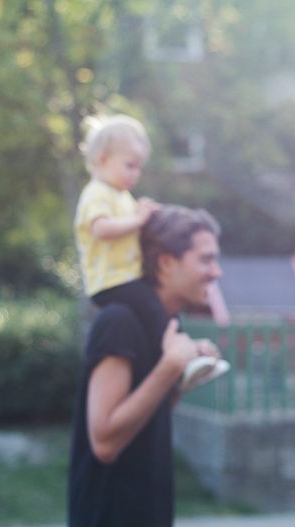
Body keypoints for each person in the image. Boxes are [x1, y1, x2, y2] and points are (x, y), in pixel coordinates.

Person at [68, 205, 223, 527]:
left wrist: (183, 379)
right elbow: (104, 441)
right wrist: (170, 368)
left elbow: (143, 416)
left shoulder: (167, 326)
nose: (216, 272)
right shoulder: (118, 320)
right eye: (206, 259)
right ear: (166, 263)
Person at [74, 114, 221, 390]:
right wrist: (137, 220)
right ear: (103, 159)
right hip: (111, 280)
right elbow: (101, 229)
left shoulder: (119, 195)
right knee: (154, 309)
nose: (135, 174)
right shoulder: (96, 193)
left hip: (126, 277)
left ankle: (184, 360)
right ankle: (180, 361)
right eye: (130, 165)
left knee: (164, 313)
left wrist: (145, 213)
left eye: (138, 168)